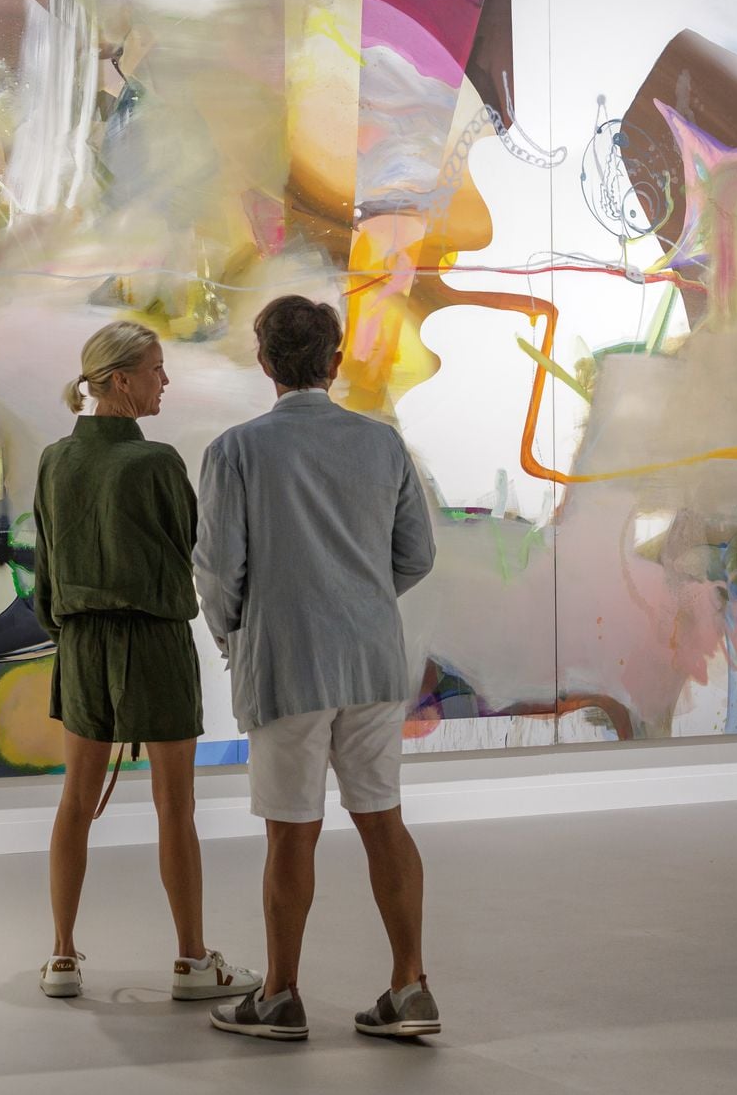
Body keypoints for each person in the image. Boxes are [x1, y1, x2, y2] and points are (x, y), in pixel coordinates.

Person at [195, 295, 439, 1044]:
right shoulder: (383, 445)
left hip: (286, 662)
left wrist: (235, 632)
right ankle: (410, 986)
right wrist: (359, 598)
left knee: (291, 834)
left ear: (264, 361)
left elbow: (218, 569)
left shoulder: (236, 451)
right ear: (334, 362)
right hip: (371, 660)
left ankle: (280, 995)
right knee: (383, 820)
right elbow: (417, 554)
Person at [31, 323, 256, 1004]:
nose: (166, 381)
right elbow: (196, 551)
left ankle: (61, 956)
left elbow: (46, 570)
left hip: (81, 643)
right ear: (121, 379)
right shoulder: (156, 463)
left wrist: (70, 632)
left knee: (75, 803)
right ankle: (192, 960)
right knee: (174, 806)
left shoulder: (54, 461)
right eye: (157, 369)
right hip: (155, 643)